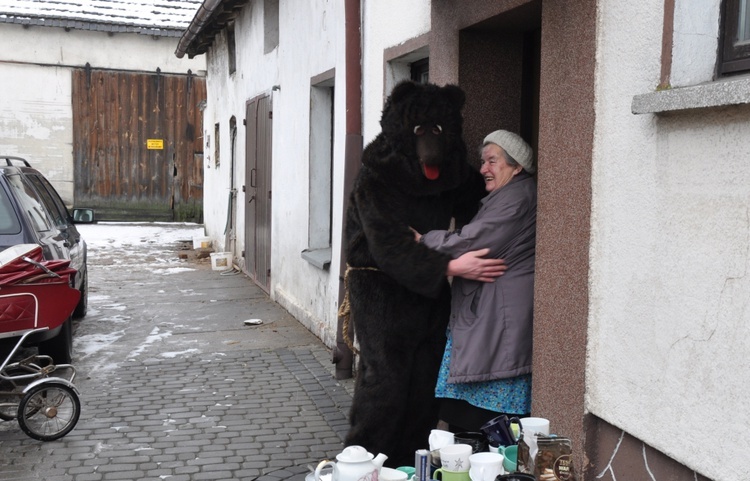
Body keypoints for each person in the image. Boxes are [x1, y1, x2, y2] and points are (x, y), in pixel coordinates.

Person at [414, 129, 537, 432]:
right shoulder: (506, 195)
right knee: (461, 415)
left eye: (492, 161)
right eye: (483, 162)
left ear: (516, 165)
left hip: (496, 321)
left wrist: (422, 240)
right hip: (486, 319)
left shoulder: (518, 197)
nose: (483, 169)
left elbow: (473, 241)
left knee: (483, 421)